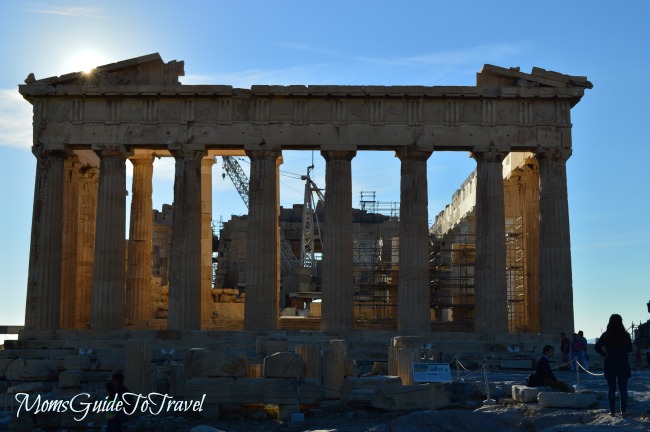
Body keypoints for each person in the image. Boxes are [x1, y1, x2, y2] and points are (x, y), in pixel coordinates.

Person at [595, 314, 633, 417]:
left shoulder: (606, 334)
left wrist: (604, 354)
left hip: (610, 363)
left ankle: (612, 412)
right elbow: (630, 349)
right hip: (623, 363)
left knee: (611, 389)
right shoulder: (626, 335)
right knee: (623, 389)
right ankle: (623, 411)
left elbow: (597, 347)